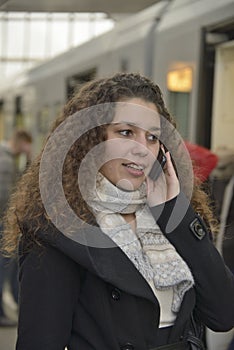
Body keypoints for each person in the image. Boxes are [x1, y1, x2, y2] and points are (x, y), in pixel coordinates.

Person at [2, 73, 234, 349]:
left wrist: (177, 215)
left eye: (152, 138)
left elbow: (223, 315)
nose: (142, 150)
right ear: (91, 139)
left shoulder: (176, 218)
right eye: (126, 132)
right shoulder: (58, 229)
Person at [0, 129, 32, 327]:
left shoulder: (8, 158)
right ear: (21, 143)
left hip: (4, 220)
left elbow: (20, 183)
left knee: (8, 264)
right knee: (3, 266)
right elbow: (7, 193)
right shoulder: (4, 161)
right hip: (2, 220)